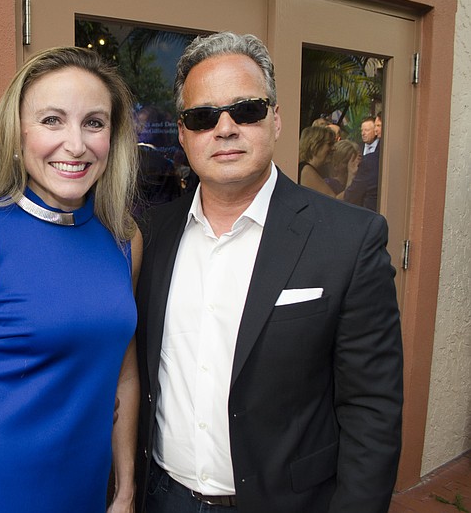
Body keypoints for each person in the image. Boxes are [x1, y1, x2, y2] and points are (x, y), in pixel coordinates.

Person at [135, 32, 403, 513]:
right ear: (182, 133)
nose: (225, 128)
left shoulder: (349, 239)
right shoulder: (150, 235)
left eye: (246, 109)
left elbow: (372, 410)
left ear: (276, 119)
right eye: (203, 117)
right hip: (162, 498)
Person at [0, 47, 141, 513]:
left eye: (94, 123)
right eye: (52, 120)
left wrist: (124, 491)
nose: (76, 144)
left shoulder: (124, 239)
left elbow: (123, 375)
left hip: (85, 496)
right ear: (18, 133)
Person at [345, 116, 380, 210]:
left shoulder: (382, 152)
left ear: (375, 131)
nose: (363, 133)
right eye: (362, 130)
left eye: (367, 130)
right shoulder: (357, 148)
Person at [297, 125, 336, 197]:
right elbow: (333, 201)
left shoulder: (318, 170)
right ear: (315, 145)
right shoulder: (306, 170)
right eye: (329, 144)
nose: (333, 148)